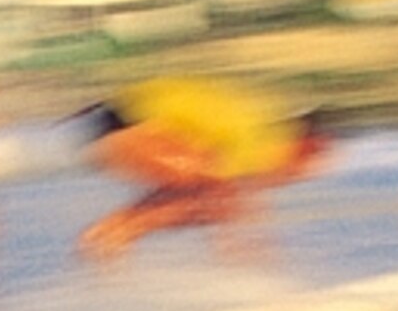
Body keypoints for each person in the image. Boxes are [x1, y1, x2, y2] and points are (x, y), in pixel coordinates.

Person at [75, 74, 332, 260]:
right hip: (123, 125)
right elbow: (226, 198)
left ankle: (112, 234)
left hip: (118, 126)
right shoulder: (263, 143)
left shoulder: (262, 142)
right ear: (304, 145)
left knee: (209, 196)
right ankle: (112, 235)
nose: (306, 173)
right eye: (310, 162)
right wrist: (251, 261)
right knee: (213, 195)